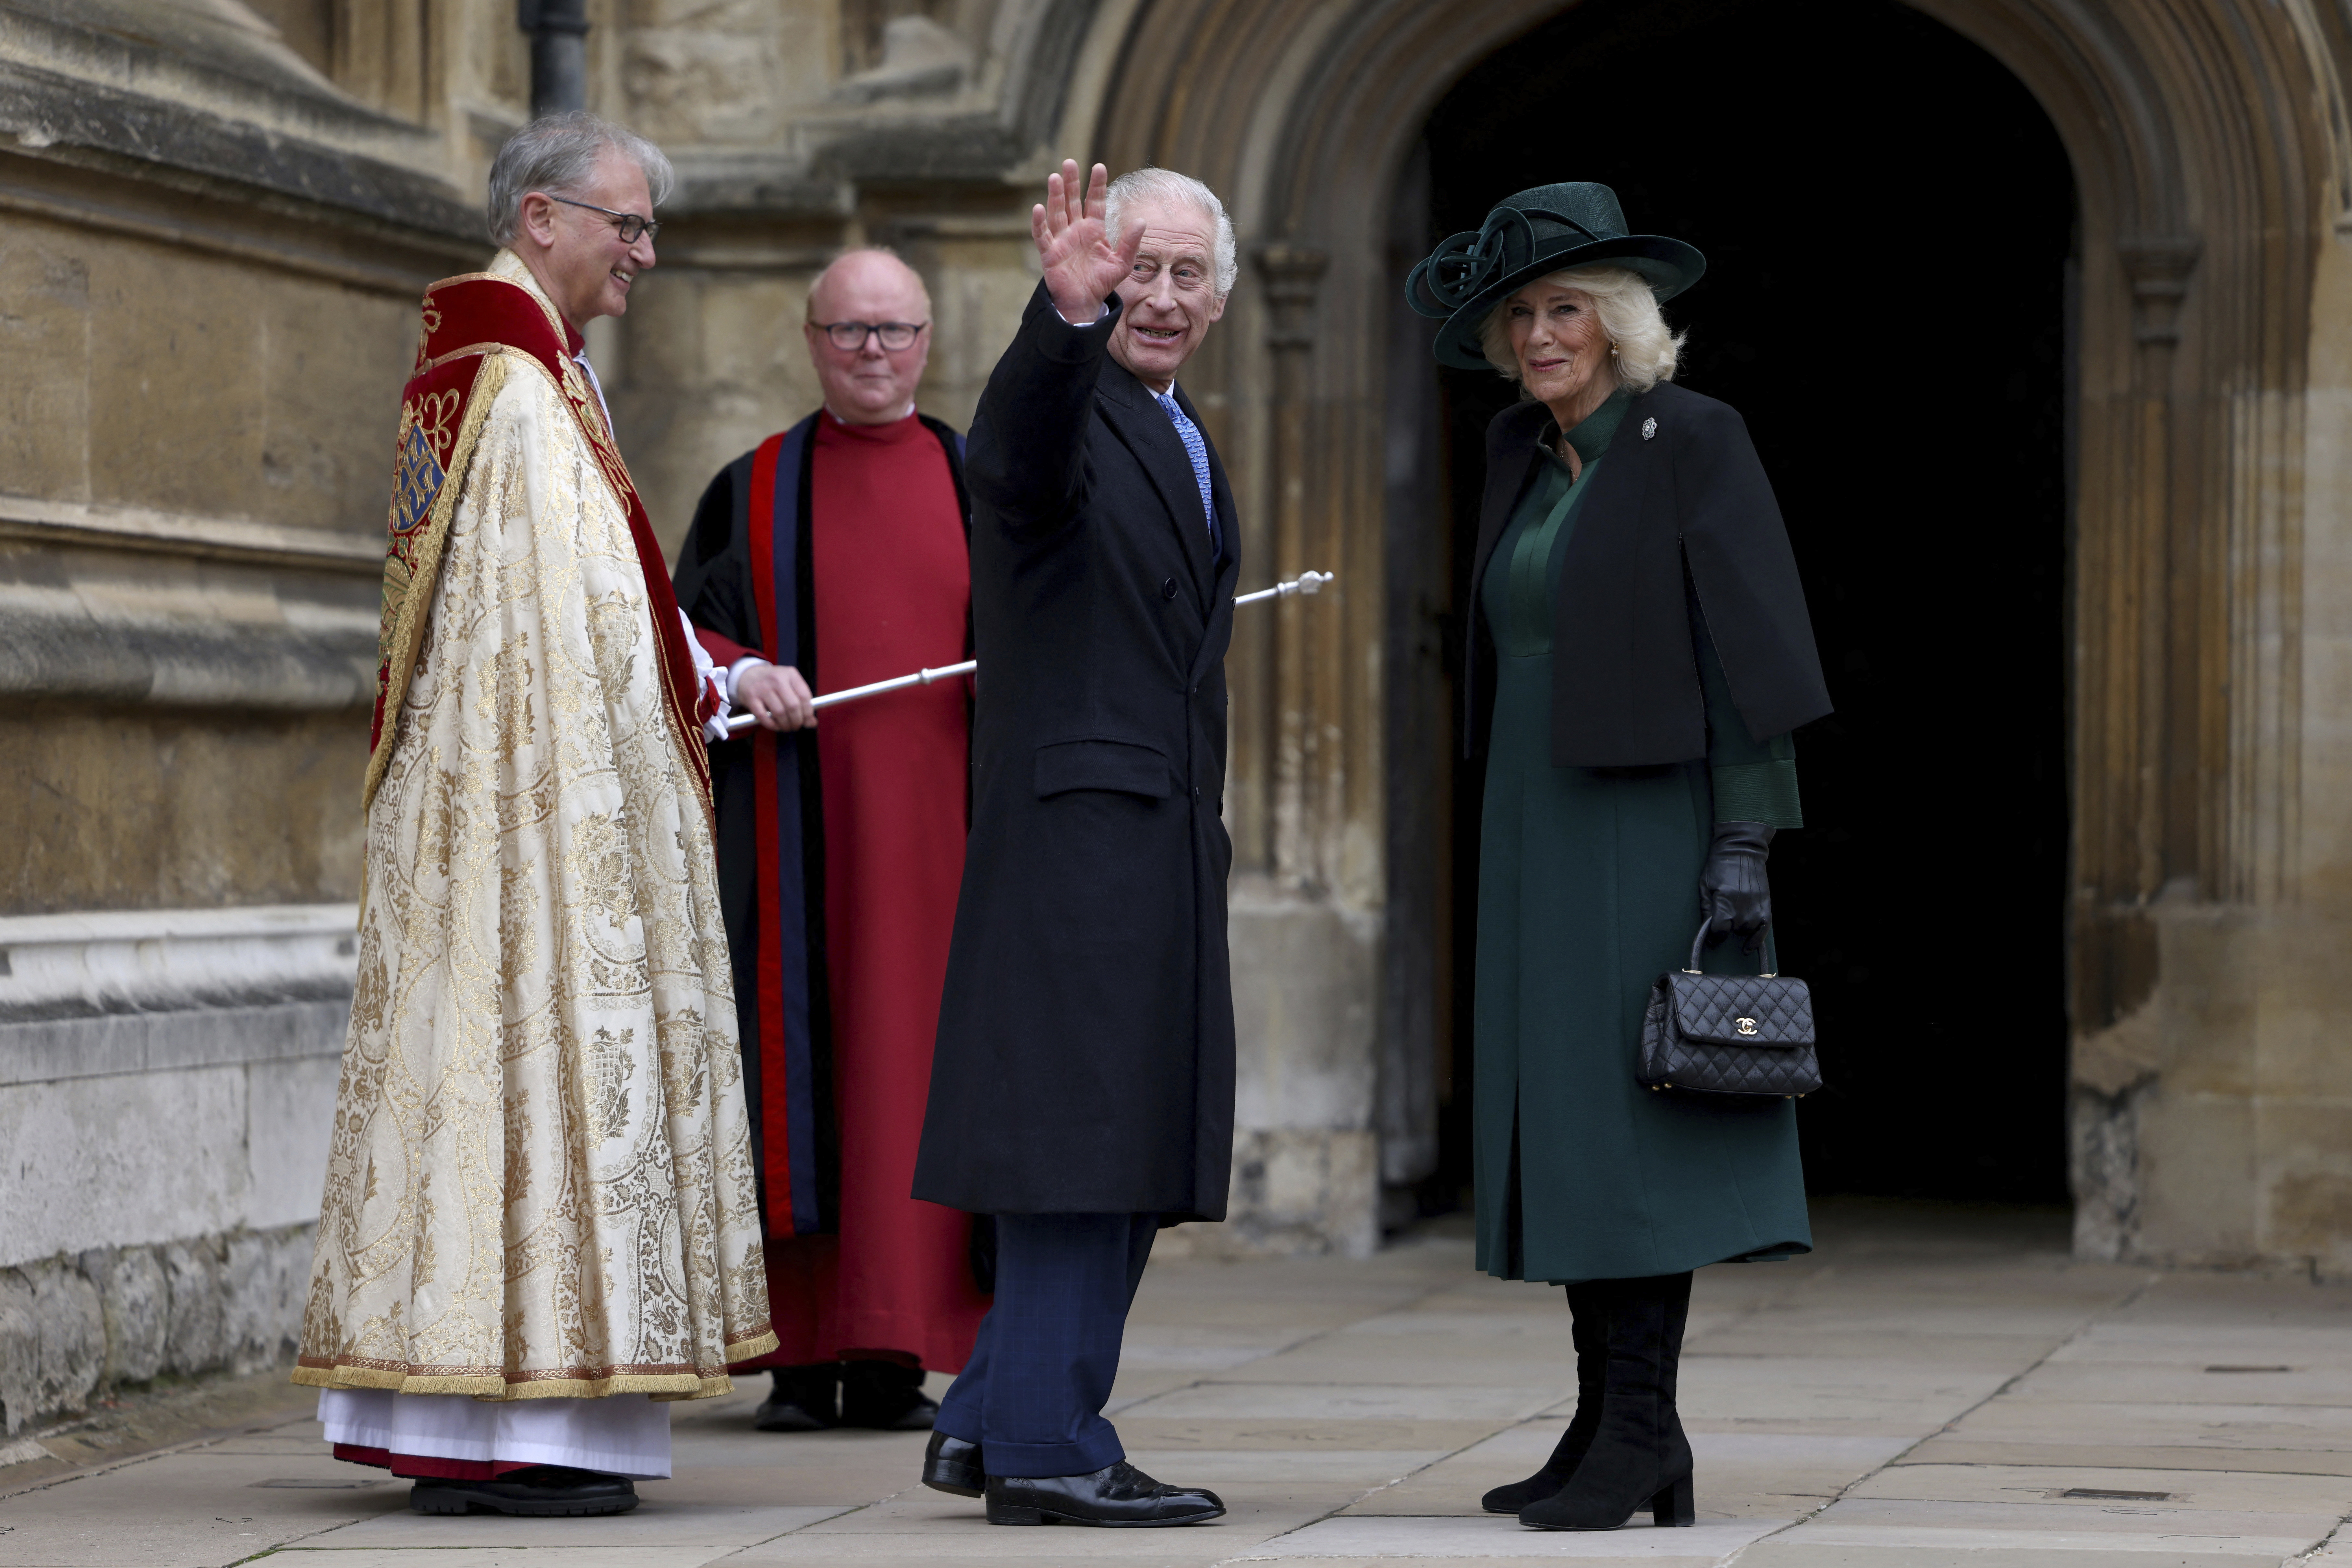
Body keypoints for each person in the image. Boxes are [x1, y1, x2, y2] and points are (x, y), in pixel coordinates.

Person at [293, 112, 774, 1517]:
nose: (646, 255)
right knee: (529, 1072)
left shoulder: (536, 368)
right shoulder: (505, 379)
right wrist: (663, 726)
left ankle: (496, 1425)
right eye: (626, 226)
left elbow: (605, 600)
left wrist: (710, 672)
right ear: (543, 217)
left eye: (649, 229)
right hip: (533, 826)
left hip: (537, 808)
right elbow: (534, 640)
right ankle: (511, 1431)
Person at [1402, 184, 1832, 1532]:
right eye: (1521, 315)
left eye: (1565, 308)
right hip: (1536, 817)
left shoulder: (1689, 437)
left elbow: (1749, 649)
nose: (1540, 335)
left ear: (1623, 323)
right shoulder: (1521, 455)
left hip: (1652, 819)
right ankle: (1609, 1422)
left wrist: (1744, 841)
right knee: (1570, 1125)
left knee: (1639, 1126)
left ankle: (1640, 1426)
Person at [906, 161, 1239, 1529]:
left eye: (1182, 276)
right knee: (1078, 1143)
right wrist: (1058, 322)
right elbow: (1014, 458)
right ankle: (1048, 1444)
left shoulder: (1177, 422)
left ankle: (989, 1415)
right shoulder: (1074, 401)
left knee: (1122, 1135)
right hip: (1081, 842)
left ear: (1221, 297)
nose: (1155, 299)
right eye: (1135, 270)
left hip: (1150, 839)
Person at [671, 248, 988, 1435]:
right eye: (849, 331)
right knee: (798, 1074)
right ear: (810, 341)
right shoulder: (750, 489)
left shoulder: (984, 481)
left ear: (927, 340)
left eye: (894, 330)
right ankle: (800, 1356)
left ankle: (899, 1353)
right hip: (794, 849)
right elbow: (676, 631)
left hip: (946, 854)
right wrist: (747, 668)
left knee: (917, 1081)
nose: (872, 352)